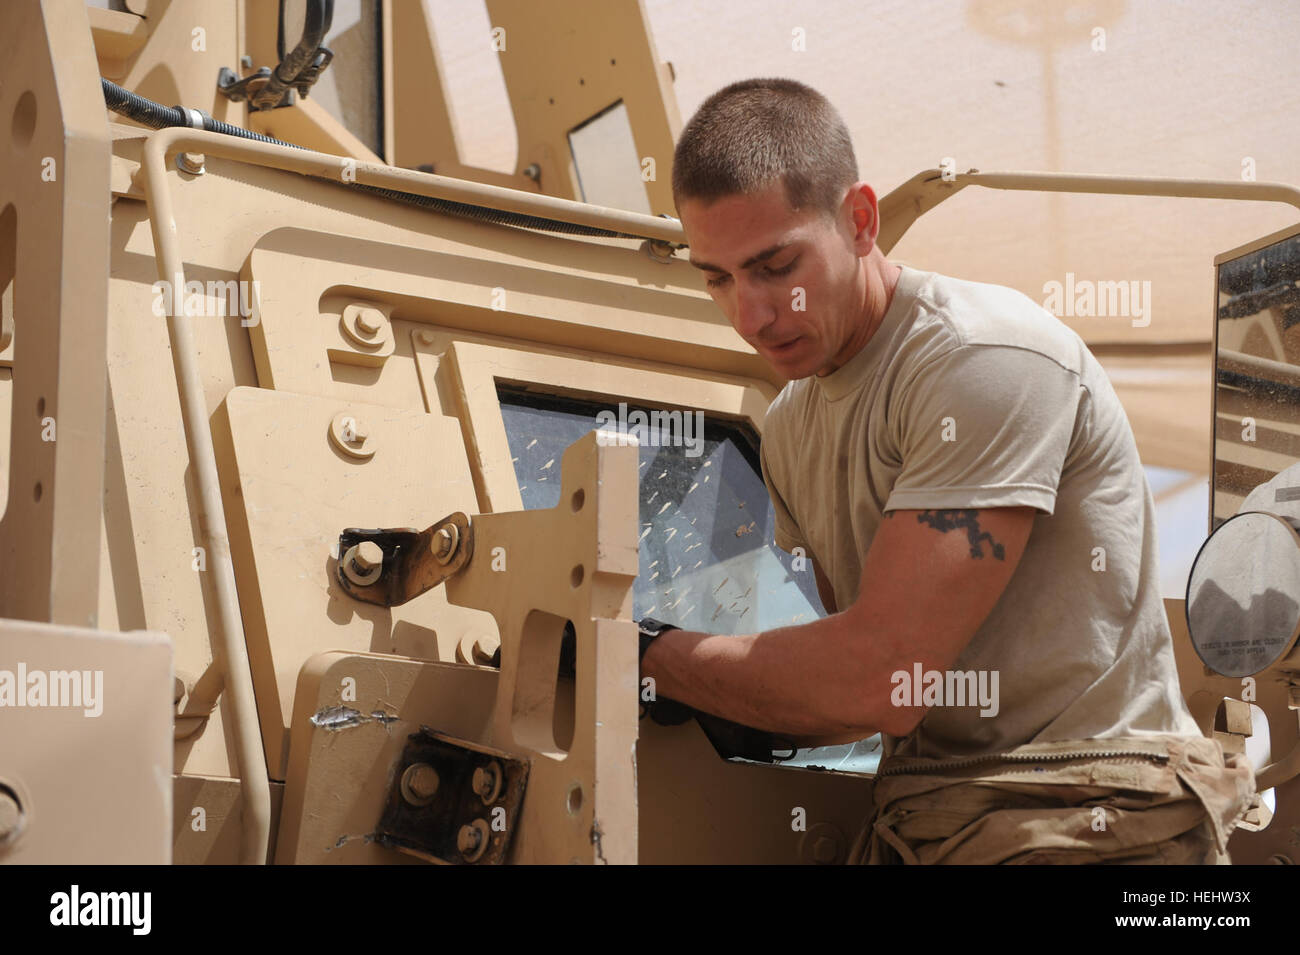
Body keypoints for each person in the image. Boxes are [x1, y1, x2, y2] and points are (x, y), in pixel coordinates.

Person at [637, 76, 1257, 864]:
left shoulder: (981, 359)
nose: (751, 313)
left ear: (860, 221)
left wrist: (648, 653)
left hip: (1087, 816)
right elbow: (850, 708)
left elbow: (881, 677)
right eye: (718, 278)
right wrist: (661, 680)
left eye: (775, 265)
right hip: (929, 821)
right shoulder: (791, 428)